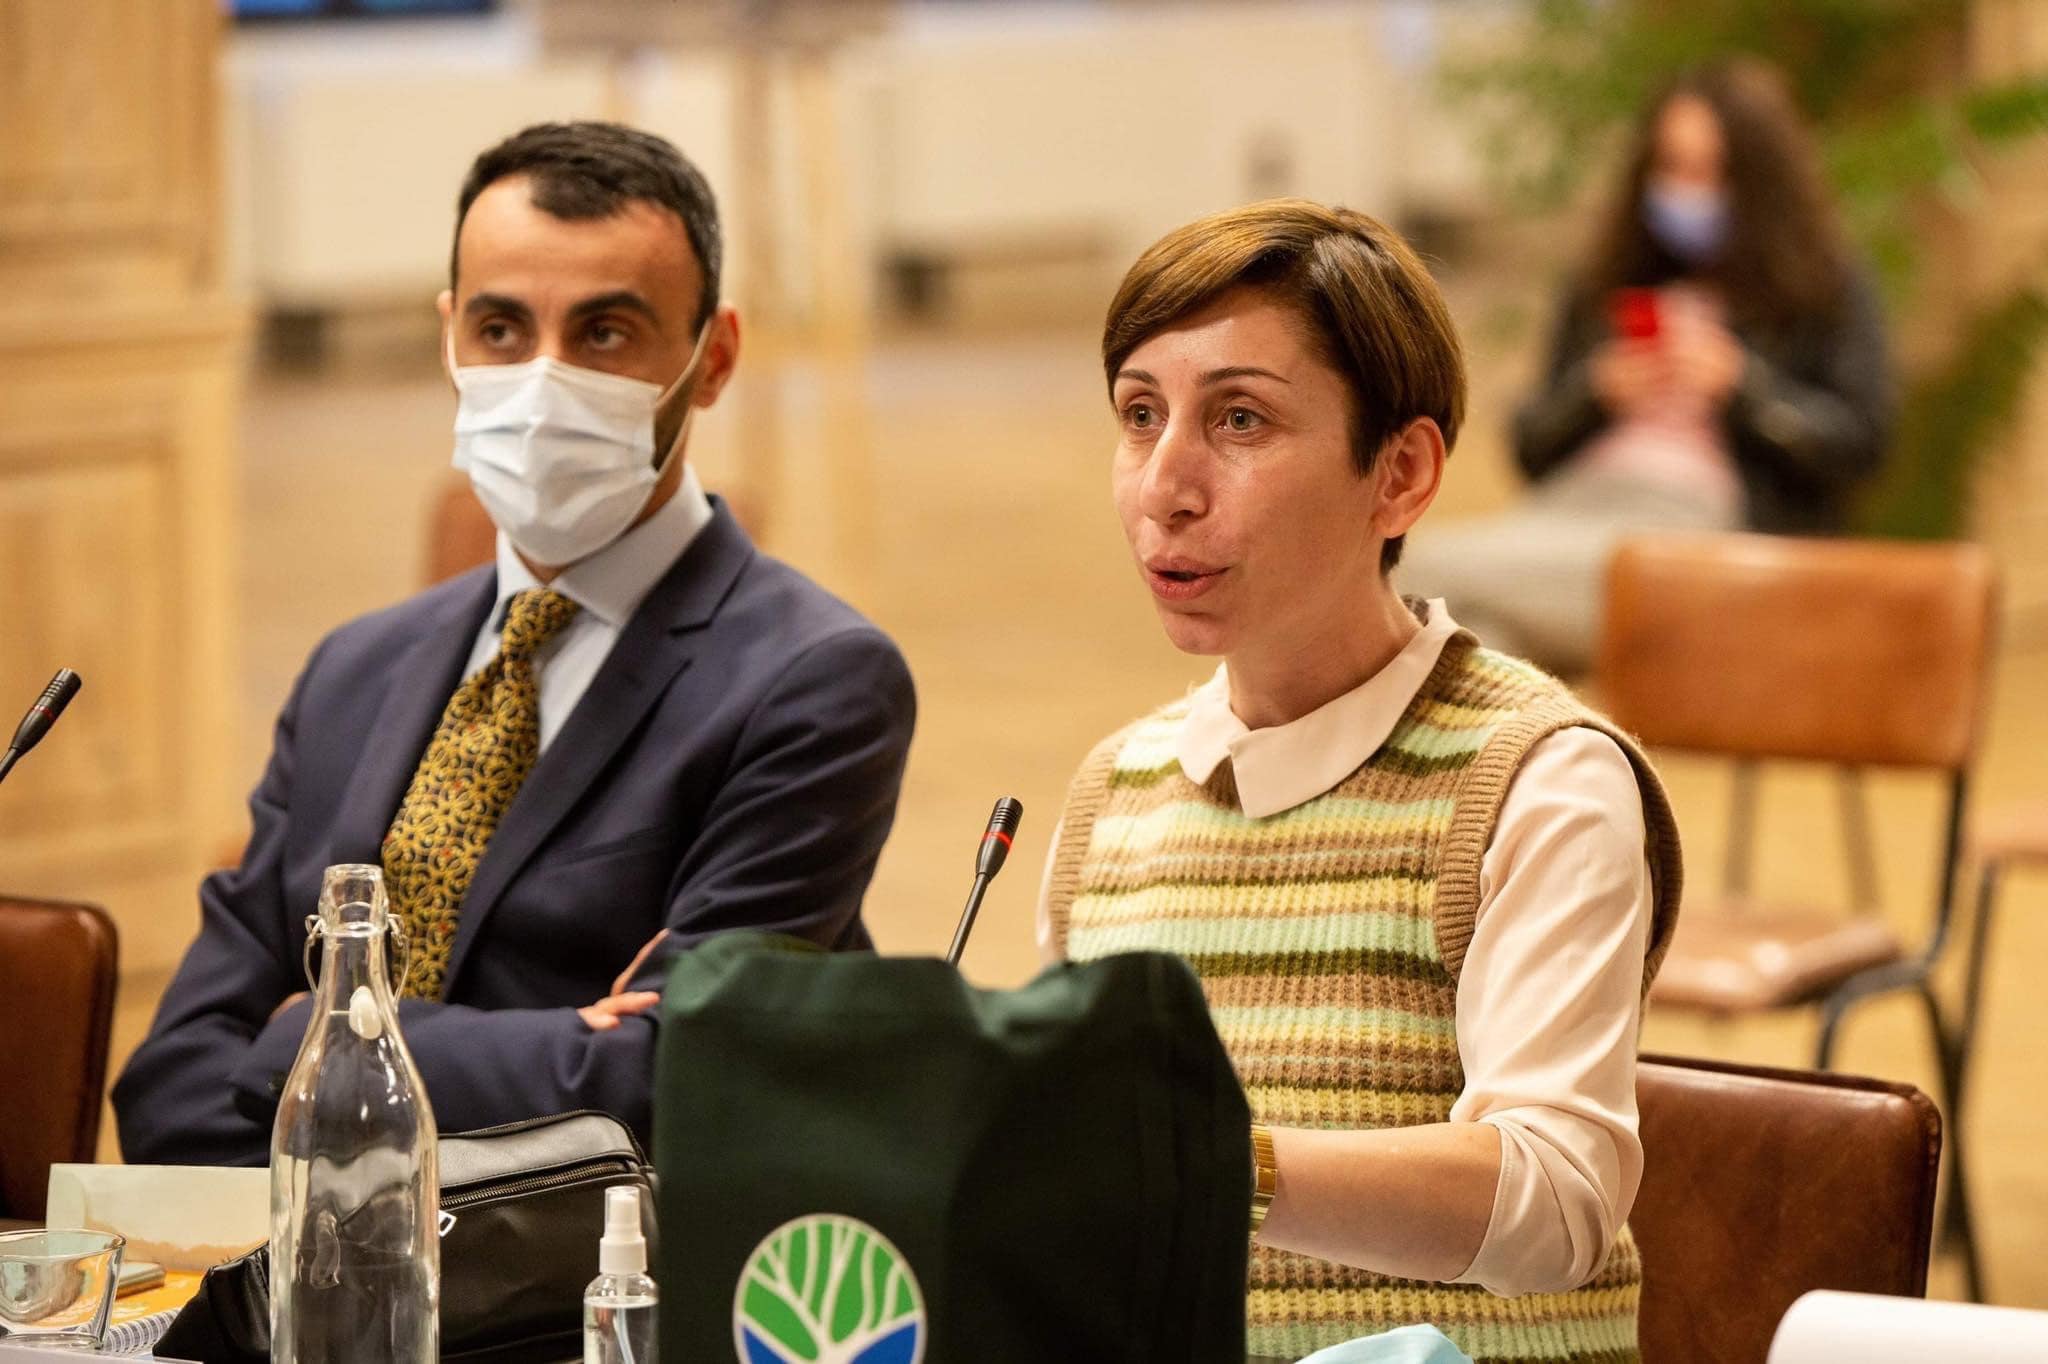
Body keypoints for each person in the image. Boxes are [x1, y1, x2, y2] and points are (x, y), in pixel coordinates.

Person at [114, 122, 917, 1165]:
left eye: (605, 333)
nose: (542, 381)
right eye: (499, 329)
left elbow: (671, 1075)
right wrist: (549, 1049)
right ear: (449, 337)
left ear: (713, 358)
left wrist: (311, 1034)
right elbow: (168, 1083)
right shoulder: (353, 671)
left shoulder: (812, 681)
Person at [1038, 199, 1683, 1363]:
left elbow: (1554, 1200)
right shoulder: (1111, 800)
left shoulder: (1535, 779)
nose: (1164, 485)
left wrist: (1220, 1164)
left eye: (1238, 418)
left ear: (1399, 473)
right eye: (1139, 415)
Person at [1400, 58, 1891, 672]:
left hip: (1701, 536)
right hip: (1571, 511)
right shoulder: (1602, 285)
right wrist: (1597, 392)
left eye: (1707, 171)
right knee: (1476, 640)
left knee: (1411, 569)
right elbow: (1529, 449)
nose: (1685, 189)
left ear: (1759, 182)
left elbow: (1860, 447)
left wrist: (1741, 387)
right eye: (1670, 166)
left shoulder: (1824, 287)